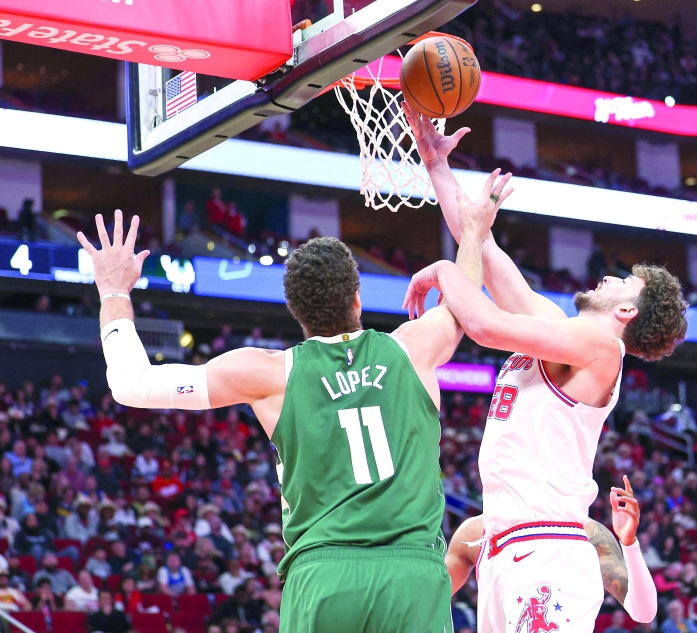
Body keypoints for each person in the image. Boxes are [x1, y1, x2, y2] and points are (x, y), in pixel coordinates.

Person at [78, 193, 504, 632]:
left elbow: (132, 384)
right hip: (412, 575)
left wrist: (112, 290)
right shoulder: (412, 348)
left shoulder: (269, 374)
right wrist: (472, 233)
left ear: (295, 310)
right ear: (356, 298)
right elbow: (461, 308)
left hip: (323, 576)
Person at [404, 103, 675, 632]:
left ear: (627, 312)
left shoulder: (602, 349)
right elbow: (483, 244)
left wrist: (442, 268)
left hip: (550, 549)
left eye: (622, 283)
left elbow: (481, 324)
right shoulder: (559, 332)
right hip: (501, 550)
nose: (607, 278)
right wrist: (437, 167)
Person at [446, 508, 636, 603]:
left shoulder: (588, 530)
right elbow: (430, 603)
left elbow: (636, 601)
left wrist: (630, 545)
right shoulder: (473, 532)